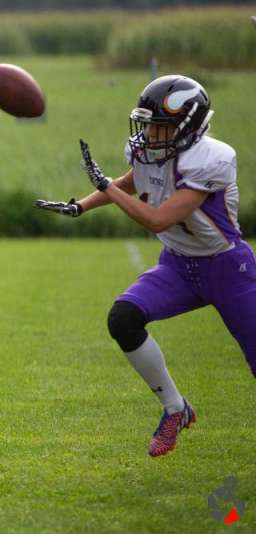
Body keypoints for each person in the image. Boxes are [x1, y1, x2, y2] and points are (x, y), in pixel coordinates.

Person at [35, 75, 255, 457]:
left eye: (160, 126)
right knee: (123, 319)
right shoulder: (152, 153)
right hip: (178, 266)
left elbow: (158, 219)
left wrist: (105, 186)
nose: (150, 133)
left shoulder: (209, 161)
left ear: (187, 127)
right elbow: (130, 183)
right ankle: (176, 409)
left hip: (226, 268)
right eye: (149, 125)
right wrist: (81, 205)